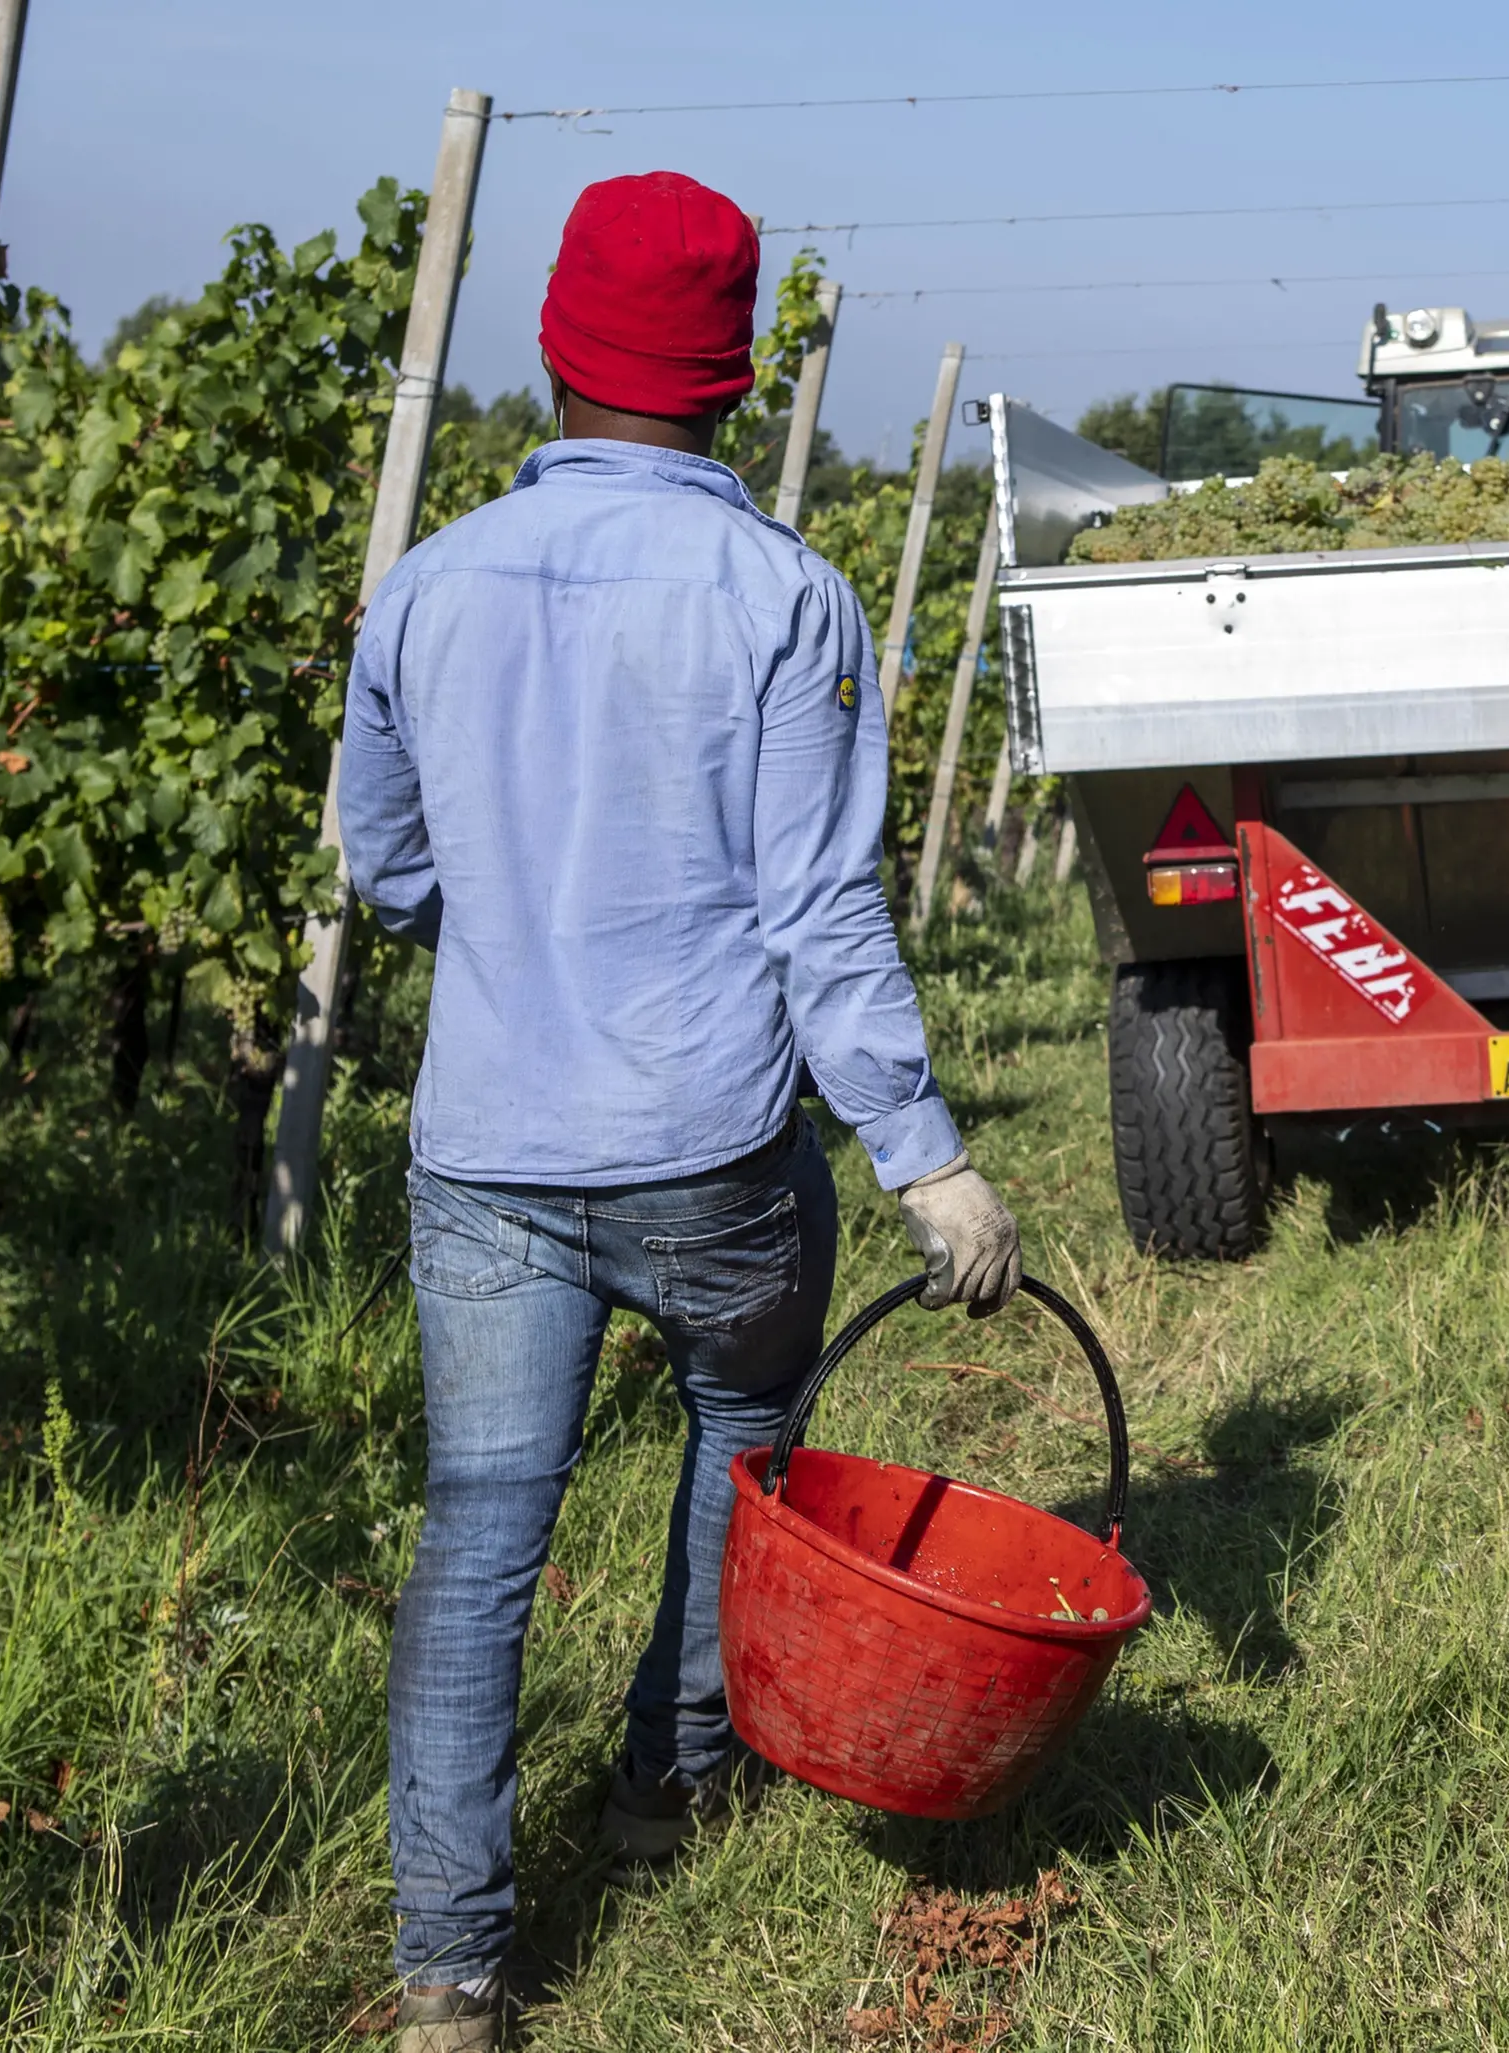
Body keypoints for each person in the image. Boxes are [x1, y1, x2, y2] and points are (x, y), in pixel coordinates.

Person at [335, 171, 1025, 2053]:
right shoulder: (785, 600)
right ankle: (667, 1783)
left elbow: (386, 873)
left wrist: (516, 919)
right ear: (731, 384)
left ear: (554, 351)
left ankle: (451, 1974)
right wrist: (926, 1160)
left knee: (480, 1537)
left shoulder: (428, 589)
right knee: (740, 1447)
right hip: (714, 1151)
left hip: (486, 1151)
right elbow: (818, 915)